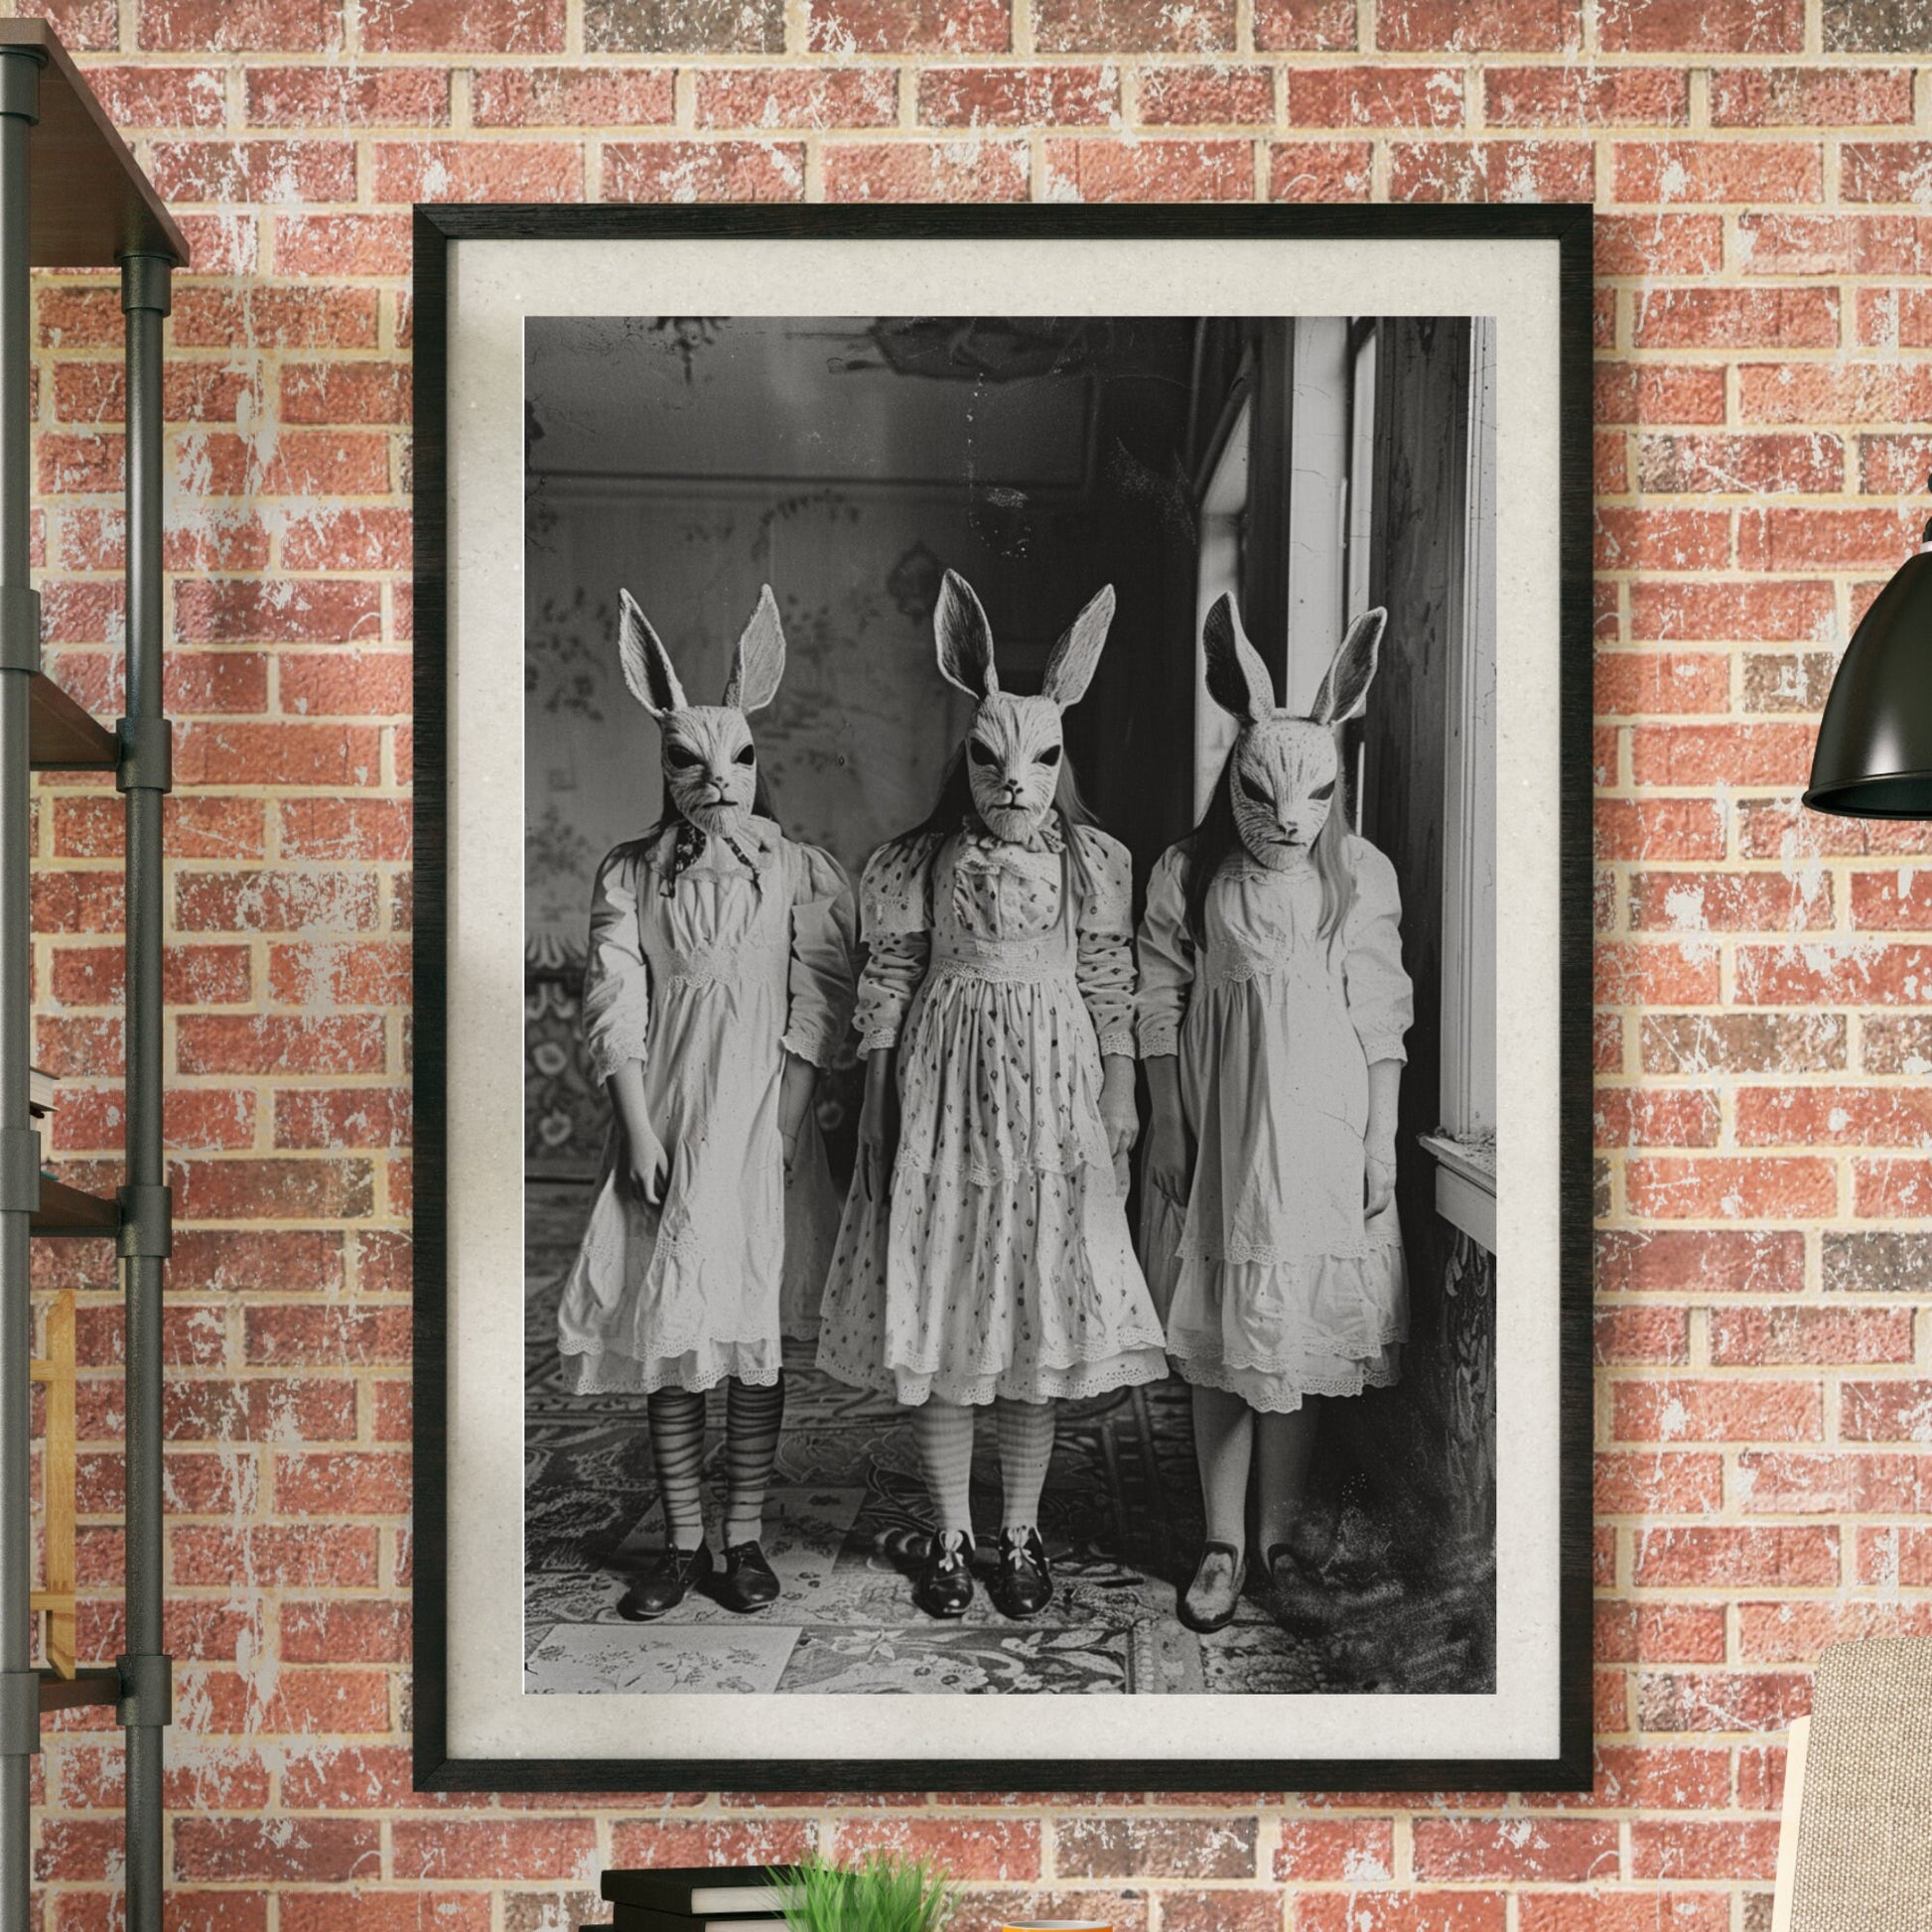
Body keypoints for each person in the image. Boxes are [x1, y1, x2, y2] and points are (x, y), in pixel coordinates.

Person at [817, 569, 1167, 1621]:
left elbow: (1111, 983)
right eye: (991, 759)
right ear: (965, 756)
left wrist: (1120, 1091)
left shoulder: (1091, 862)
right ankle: (952, 1536)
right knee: (949, 1305)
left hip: (1051, 1093)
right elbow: (884, 981)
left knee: (1028, 1310)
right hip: (944, 1091)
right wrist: (876, 1102)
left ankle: (1019, 1530)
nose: (1014, 782)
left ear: (1060, 758)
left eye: (1038, 760)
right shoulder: (916, 863)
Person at [557, 586, 855, 1620]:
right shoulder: (631, 873)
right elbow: (615, 996)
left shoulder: (793, 870)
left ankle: (742, 1534)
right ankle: (681, 1539)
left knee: (752, 1323)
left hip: (760, 1123)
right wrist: (637, 1123)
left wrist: (788, 1121)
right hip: (671, 1119)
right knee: (675, 1329)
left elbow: (818, 995)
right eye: (690, 760)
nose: (716, 782)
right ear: (665, 764)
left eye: (735, 760)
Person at [1137, 594, 1412, 1634]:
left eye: (1311, 799)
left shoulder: (1356, 874)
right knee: (1222, 1330)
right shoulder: (1187, 874)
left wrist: (1380, 1136)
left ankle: (1281, 1538)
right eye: (1263, 795)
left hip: (1321, 1129)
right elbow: (1154, 998)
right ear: (1235, 776)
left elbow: (1379, 1009)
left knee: (1291, 1336)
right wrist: (1167, 1118)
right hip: (1223, 1130)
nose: (1288, 820)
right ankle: (1220, 1538)